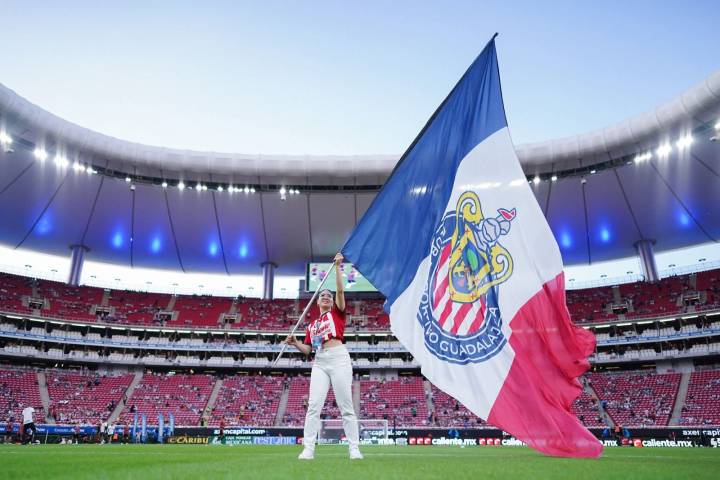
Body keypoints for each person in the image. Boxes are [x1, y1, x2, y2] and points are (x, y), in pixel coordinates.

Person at [285, 253, 362, 460]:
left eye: (329, 295)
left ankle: (354, 448)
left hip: (339, 358)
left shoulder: (337, 313)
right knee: (313, 406)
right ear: (317, 302)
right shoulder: (311, 326)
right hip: (320, 361)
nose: (326, 297)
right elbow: (308, 351)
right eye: (322, 296)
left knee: (346, 406)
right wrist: (295, 343)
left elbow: (340, 290)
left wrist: (337, 267)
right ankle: (308, 449)